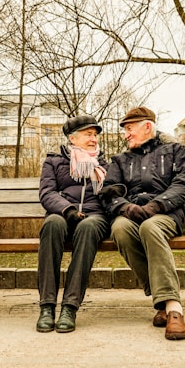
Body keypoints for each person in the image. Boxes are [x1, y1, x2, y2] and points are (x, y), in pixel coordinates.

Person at [99, 106, 185, 340]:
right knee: (119, 228)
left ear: (147, 127)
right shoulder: (120, 161)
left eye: (129, 129)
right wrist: (125, 207)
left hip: (166, 214)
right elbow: (109, 191)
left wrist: (156, 206)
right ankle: (162, 300)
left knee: (149, 227)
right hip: (133, 214)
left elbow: (182, 186)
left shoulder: (175, 151)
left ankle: (173, 309)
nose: (126, 134)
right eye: (125, 130)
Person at [36, 114, 110, 333]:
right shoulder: (54, 161)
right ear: (72, 138)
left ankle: (70, 307)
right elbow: (47, 192)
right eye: (88, 134)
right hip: (63, 213)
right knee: (52, 225)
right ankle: (47, 306)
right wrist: (67, 209)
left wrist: (113, 193)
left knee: (88, 228)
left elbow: (112, 195)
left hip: (94, 217)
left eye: (95, 135)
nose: (94, 139)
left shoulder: (104, 164)